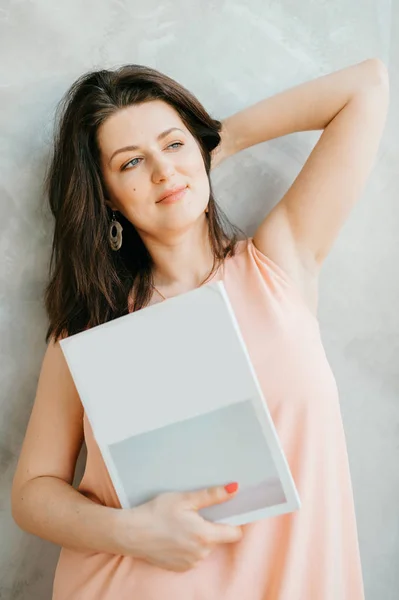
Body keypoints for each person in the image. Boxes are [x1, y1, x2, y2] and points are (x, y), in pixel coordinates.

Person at [11, 59, 389, 600]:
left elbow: (367, 86)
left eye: (173, 145)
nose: (164, 173)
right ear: (106, 197)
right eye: (132, 162)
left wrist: (212, 143)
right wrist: (131, 533)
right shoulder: (90, 324)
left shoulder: (278, 262)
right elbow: (31, 492)